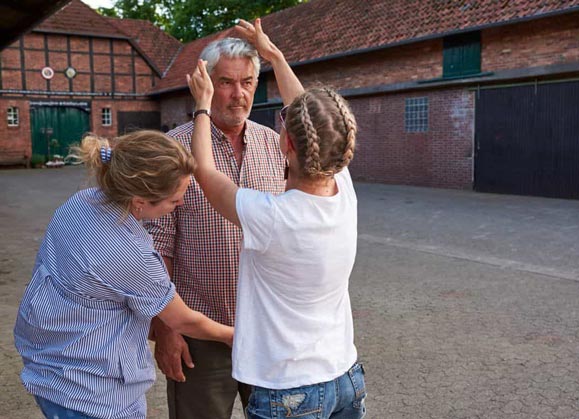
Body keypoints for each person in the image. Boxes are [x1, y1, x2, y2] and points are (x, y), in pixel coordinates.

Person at [186, 18, 366, 419]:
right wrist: (275, 56)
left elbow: (203, 171)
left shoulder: (271, 217)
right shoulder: (344, 191)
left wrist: (201, 105)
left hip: (291, 388)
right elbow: (313, 118)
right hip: (344, 375)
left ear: (285, 142)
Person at [13, 131, 234, 419]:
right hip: (93, 394)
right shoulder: (130, 255)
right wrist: (234, 335)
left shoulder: (81, 203)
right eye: (174, 201)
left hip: (50, 369)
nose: (180, 205)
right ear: (140, 201)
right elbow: (182, 319)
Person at [145, 37, 285, 419]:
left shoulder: (275, 146)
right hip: (200, 332)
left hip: (268, 332)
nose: (238, 94)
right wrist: (167, 329)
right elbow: (158, 249)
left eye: (248, 82)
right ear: (205, 82)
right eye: (226, 81)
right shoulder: (174, 151)